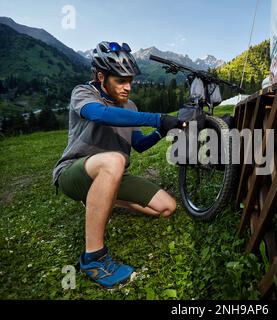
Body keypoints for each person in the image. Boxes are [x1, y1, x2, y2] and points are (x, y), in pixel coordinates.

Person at [52, 41, 184, 288]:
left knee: (167, 207)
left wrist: (161, 130)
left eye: (130, 80)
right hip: (74, 172)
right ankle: (93, 259)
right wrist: (157, 117)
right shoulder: (83, 93)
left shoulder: (130, 105)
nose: (128, 87)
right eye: (120, 81)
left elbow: (139, 144)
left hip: (114, 174)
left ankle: (103, 199)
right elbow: (99, 115)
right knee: (115, 160)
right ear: (101, 76)